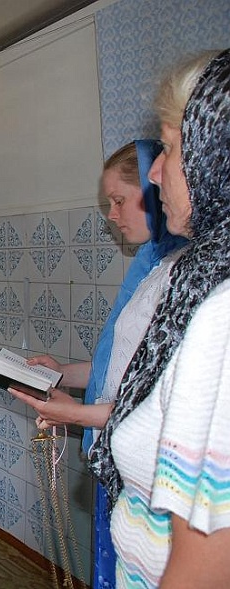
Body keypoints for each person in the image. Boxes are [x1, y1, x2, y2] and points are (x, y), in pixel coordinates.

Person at [10, 140, 187, 588]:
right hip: (121, 457)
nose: (112, 214)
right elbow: (128, 369)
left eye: (119, 200)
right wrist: (61, 373)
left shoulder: (186, 277)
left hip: (152, 474)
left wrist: (75, 413)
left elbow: (161, 401)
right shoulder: (155, 267)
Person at [88, 49, 230, 588]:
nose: (155, 171)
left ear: (216, 158)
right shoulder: (197, 275)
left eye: (169, 148)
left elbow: (208, 558)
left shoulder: (220, 314)